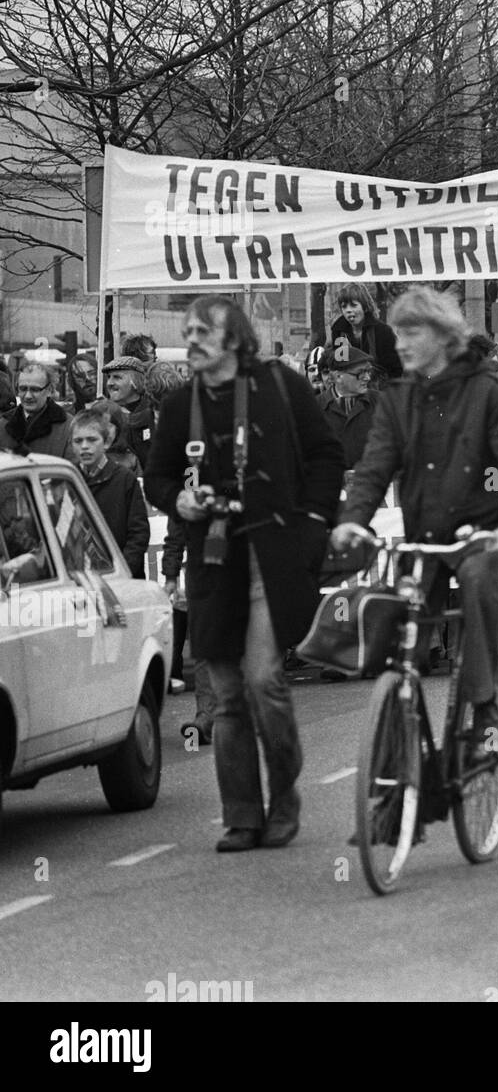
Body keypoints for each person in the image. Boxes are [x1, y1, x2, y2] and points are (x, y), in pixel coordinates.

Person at [145, 295, 345, 853]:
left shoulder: (281, 388)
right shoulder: (181, 402)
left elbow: (327, 456)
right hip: (214, 559)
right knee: (227, 695)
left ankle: (284, 797)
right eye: (187, 331)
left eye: (202, 331)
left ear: (234, 337)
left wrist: (310, 526)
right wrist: (178, 501)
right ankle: (241, 815)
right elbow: (157, 476)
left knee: (263, 681)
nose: (191, 340)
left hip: (272, 556)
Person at [332, 289, 498, 753]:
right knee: (399, 633)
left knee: (479, 580)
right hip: (425, 539)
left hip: (483, 536)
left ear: (444, 337)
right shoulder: (398, 398)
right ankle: (392, 775)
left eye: (411, 332)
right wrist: (354, 520)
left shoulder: (491, 393)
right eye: (397, 332)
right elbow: (373, 468)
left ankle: (487, 709)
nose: (399, 342)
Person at [70, 409, 150, 577]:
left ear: (106, 443)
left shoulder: (124, 479)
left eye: (91, 440)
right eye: (78, 441)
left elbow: (138, 534)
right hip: (80, 578)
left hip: (121, 577)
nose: (84, 446)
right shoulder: (67, 480)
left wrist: (123, 571)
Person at [319, 343, 377, 470]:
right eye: (360, 373)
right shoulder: (315, 408)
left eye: (368, 371)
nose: (367, 378)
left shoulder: (382, 403)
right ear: (338, 376)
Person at [330, 282, 402, 379]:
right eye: (344, 306)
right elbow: (339, 366)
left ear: (365, 307)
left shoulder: (383, 332)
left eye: (353, 305)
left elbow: (395, 370)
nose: (348, 310)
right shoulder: (338, 331)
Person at [4, 363, 73, 458]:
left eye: (35, 389)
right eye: (23, 389)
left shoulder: (68, 426)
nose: (28, 396)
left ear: (49, 390)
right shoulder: (3, 424)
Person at [101, 355, 155, 467]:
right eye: (109, 377)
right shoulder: (105, 413)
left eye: (117, 377)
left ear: (135, 382)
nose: (109, 383)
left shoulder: (152, 414)